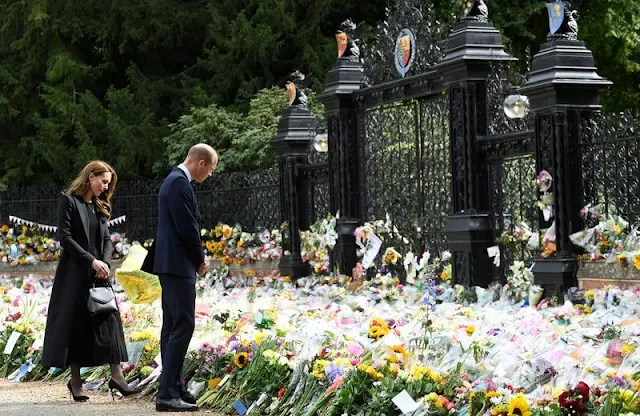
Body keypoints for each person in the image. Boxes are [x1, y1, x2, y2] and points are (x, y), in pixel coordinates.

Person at [42, 161, 136, 402]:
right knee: (77, 324)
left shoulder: (98, 205)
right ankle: (76, 382)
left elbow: (106, 238)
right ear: (90, 176)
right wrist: (90, 261)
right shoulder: (69, 201)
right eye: (103, 181)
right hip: (74, 272)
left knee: (109, 319)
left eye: (108, 183)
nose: (105, 187)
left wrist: (102, 263)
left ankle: (117, 377)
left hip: (98, 273)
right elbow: (65, 238)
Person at [154, 144, 217, 412]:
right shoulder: (180, 183)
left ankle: (174, 385)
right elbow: (188, 227)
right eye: (211, 169)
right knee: (182, 325)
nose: (210, 175)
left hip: (170, 264)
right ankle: (167, 392)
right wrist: (200, 259)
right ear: (200, 163)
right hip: (178, 264)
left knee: (171, 326)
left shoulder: (174, 180)